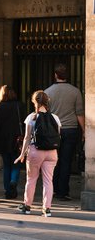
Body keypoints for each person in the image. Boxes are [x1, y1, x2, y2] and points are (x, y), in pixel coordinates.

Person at [15, 91, 60, 217]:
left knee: (31, 179)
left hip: (36, 152)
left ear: (34, 102)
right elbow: (58, 136)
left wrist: (22, 154)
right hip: (52, 152)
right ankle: (47, 209)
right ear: (47, 101)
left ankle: (27, 206)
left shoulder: (31, 117)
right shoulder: (55, 118)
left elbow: (27, 138)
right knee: (48, 181)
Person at [44, 63, 85, 201]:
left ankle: (54, 189)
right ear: (67, 75)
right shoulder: (75, 91)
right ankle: (63, 191)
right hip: (70, 129)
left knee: (53, 161)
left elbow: (45, 113)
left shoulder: (47, 92)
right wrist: (85, 130)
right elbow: (79, 113)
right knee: (66, 161)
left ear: (55, 75)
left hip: (54, 131)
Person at [0, 85, 22, 199]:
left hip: (2, 139)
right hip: (17, 138)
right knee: (16, 163)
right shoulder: (18, 105)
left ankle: (8, 190)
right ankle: (13, 181)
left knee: (6, 165)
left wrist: (0, 131)